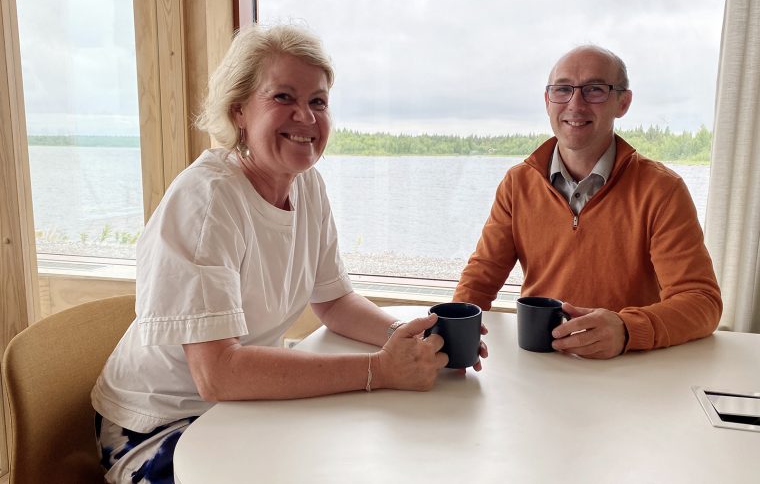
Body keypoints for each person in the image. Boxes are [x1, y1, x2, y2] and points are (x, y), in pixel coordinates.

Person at [91, 24, 468, 483]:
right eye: (283, 97)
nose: (306, 118)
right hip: (160, 425)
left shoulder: (306, 185)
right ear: (239, 112)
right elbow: (219, 374)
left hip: (239, 407)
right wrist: (379, 371)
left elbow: (333, 301)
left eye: (318, 101)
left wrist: (406, 340)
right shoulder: (207, 201)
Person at [454, 45, 722, 359]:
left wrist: (625, 329)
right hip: (540, 363)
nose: (575, 104)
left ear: (623, 102)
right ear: (547, 100)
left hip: (627, 366)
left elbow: (701, 302)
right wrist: (453, 338)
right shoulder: (518, 184)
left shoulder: (662, 190)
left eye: (594, 90)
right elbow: (481, 277)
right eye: (563, 89)